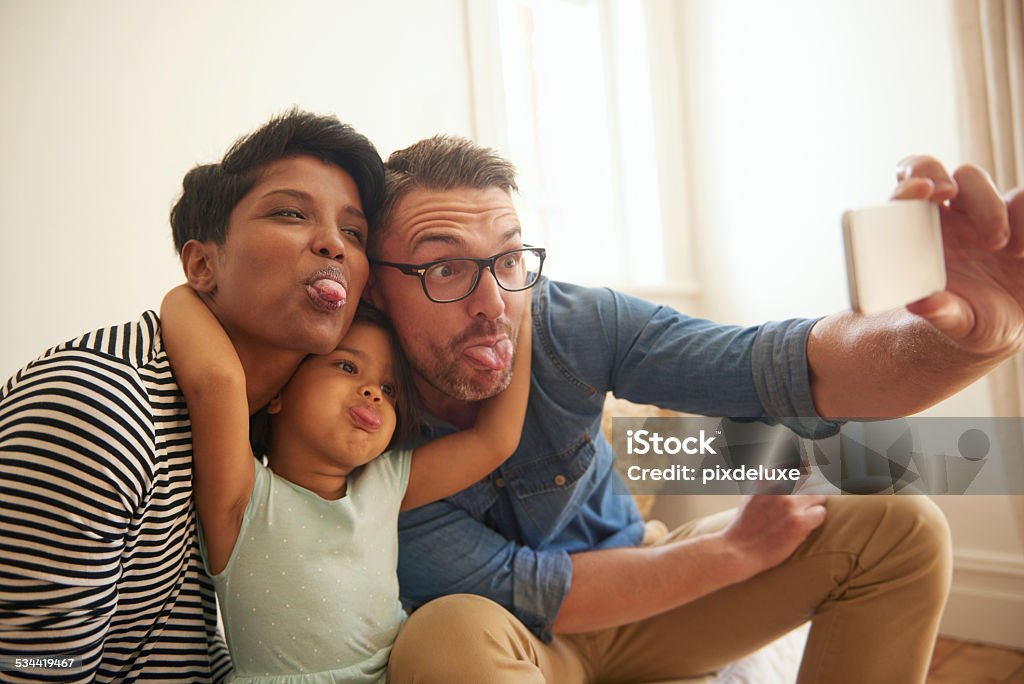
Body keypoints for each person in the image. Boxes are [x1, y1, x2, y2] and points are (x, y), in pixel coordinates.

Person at [364, 136, 1024, 683]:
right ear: (375, 290)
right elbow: (535, 590)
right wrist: (732, 553)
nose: (493, 303)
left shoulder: (572, 322)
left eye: (509, 259)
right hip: (513, 641)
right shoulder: (350, 417)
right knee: (444, 637)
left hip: (650, 591)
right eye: (445, 269)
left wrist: (961, 337)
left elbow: (783, 367)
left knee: (900, 524)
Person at [0, 109, 387, 682]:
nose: (333, 243)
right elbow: (25, 661)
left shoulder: (263, 429)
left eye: (353, 232)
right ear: (201, 264)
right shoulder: (101, 406)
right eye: (290, 213)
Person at [157, 286, 531, 683]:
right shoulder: (242, 496)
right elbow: (218, 381)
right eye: (348, 367)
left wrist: (516, 312)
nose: (373, 393)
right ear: (278, 393)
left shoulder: (386, 483)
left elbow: (495, 440)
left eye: (389, 390)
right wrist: (181, 292)